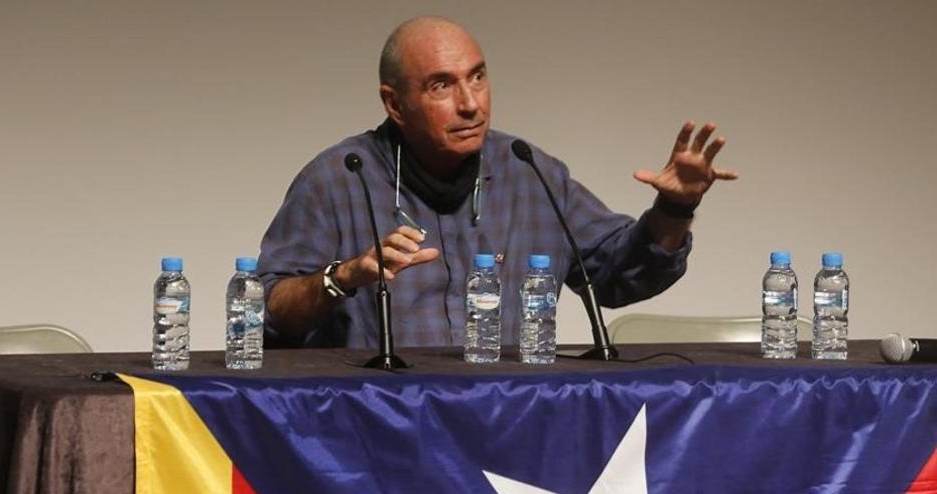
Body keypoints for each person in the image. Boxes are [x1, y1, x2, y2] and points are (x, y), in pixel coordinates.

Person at [258, 16, 736, 349]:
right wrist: (341, 278)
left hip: (506, 422)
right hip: (377, 425)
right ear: (395, 103)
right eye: (441, 86)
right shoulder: (338, 179)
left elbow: (618, 276)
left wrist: (674, 210)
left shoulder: (528, 171)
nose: (471, 104)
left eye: (478, 77)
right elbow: (267, 314)